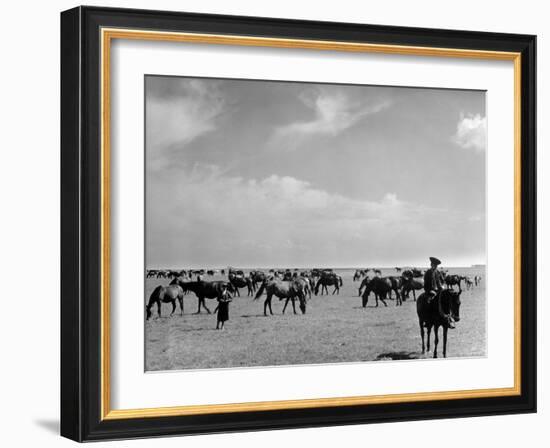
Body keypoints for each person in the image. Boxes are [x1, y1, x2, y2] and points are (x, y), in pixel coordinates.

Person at [423, 257, 454, 329]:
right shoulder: (428, 273)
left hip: (439, 290)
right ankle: (427, 321)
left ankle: (448, 319)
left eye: (436, 265)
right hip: (430, 290)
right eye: (434, 265)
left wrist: (442, 286)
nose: (435, 267)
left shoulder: (438, 272)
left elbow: (442, 280)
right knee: (428, 302)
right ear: (431, 265)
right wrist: (430, 290)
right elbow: (426, 284)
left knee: (446, 300)